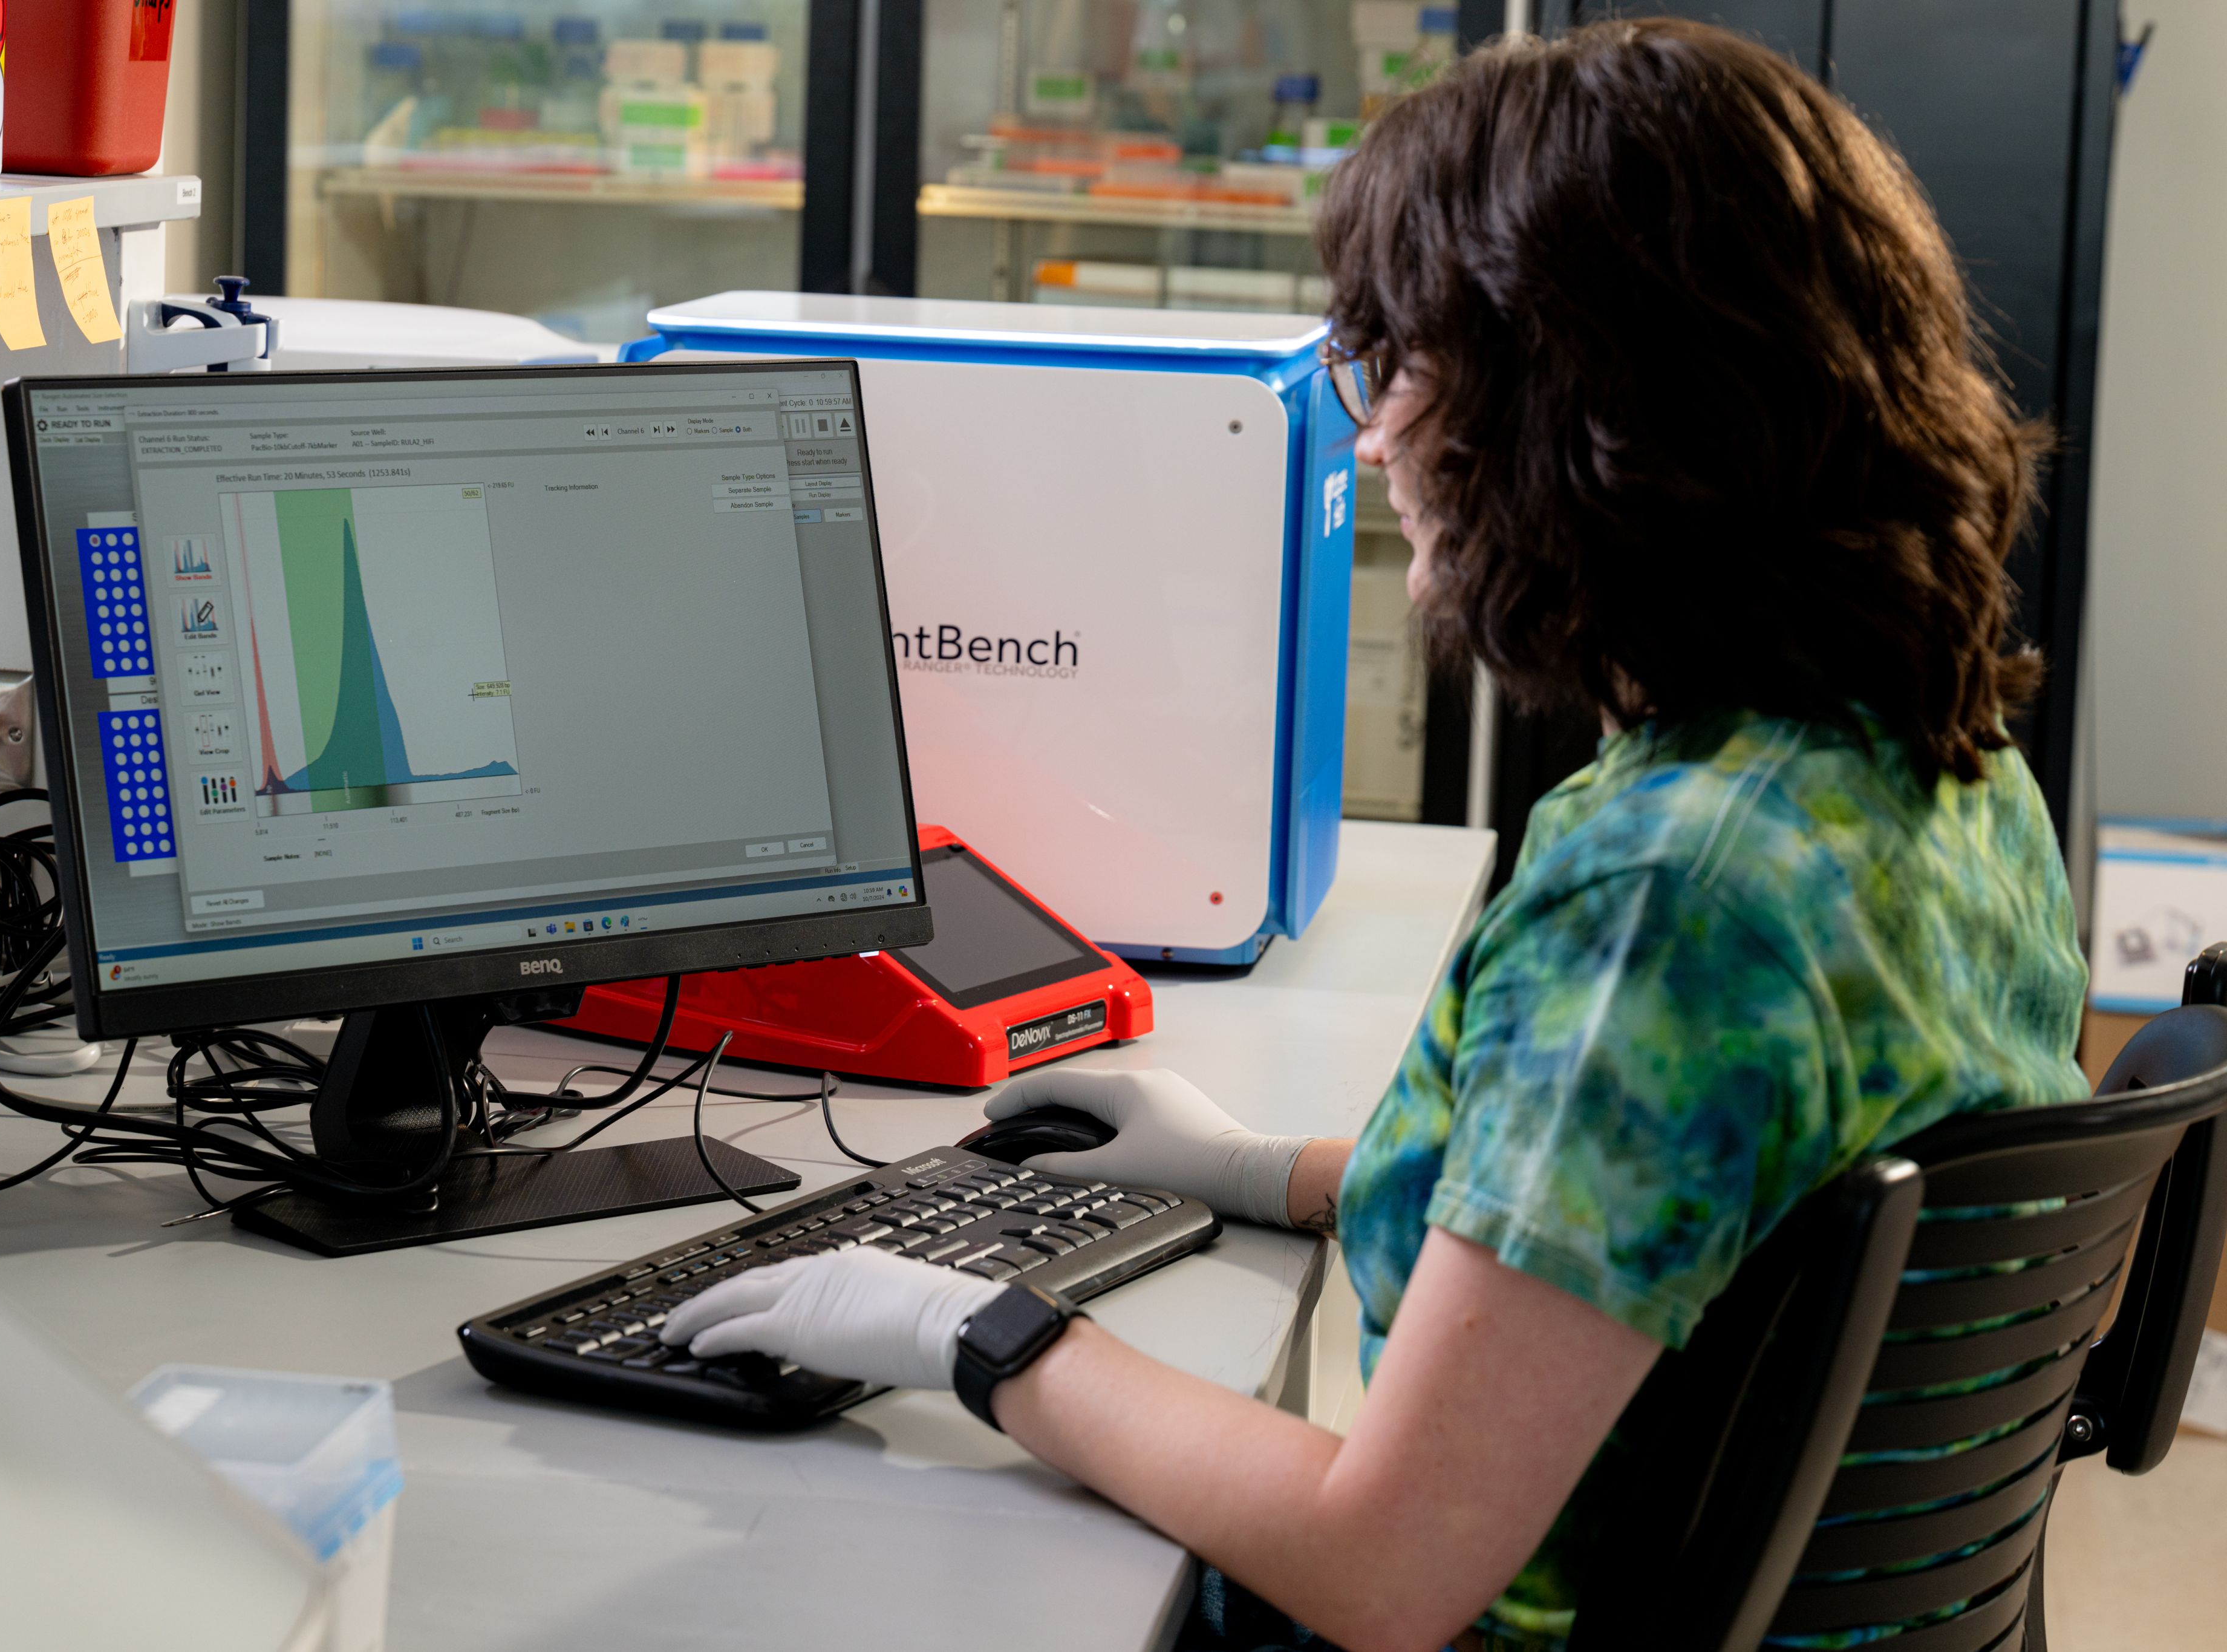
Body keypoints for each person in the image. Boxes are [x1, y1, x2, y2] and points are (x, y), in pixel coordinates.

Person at [659, 18, 2091, 1651]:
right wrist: (1257, 1171)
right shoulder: (1925, 763)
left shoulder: (1672, 898)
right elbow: (1669, 1220)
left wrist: (976, 1333)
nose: (1372, 434)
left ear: (1584, 408)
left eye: (1403, 363)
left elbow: (1385, 1568)